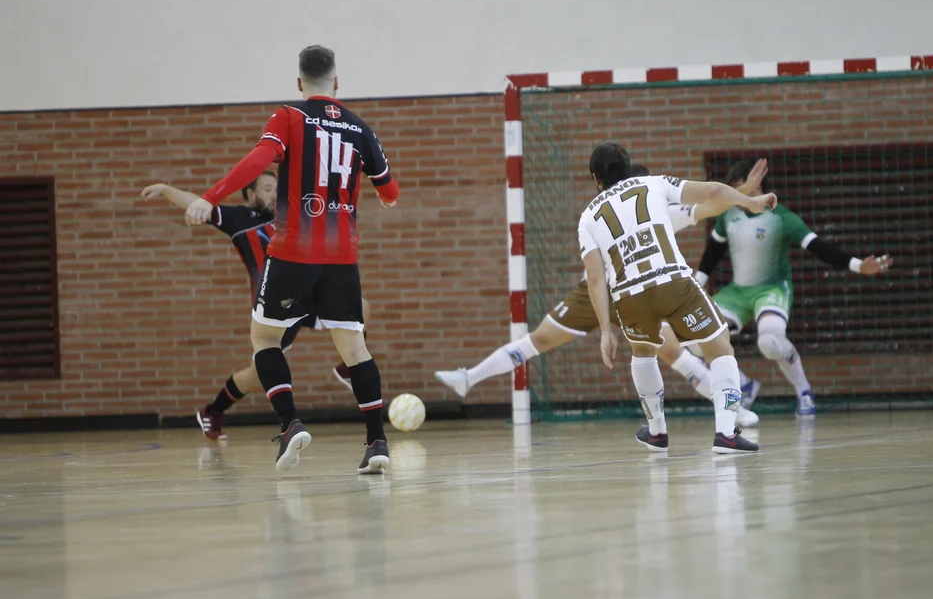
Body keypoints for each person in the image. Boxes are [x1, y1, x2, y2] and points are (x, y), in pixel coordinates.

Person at [183, 45, 400, 474]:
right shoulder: (361, 128)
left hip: (292, 253)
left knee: (265, 341)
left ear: (300, 82)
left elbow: (258, 161)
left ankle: (290, 424)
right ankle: (377, 443)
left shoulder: (289, 116)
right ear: (337, 83)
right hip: (341, 257)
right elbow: (390, 193)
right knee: (355, 348)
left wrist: (210, 197)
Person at [434, 162, 770, 427]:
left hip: (637, 290)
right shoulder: (602, 212)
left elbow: (707, 205)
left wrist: (744, 193)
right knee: (541, 338)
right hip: (596, 292)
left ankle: (730, 410)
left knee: (672, 352)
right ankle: (469, 378)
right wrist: (746, 195)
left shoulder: (657, 207)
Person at [578, 143, 776, 454]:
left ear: (595, 179)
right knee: (719, 344)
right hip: (670, 280)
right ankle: (726, 432)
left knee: (643, 352)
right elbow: (712, 191)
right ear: (628, 168)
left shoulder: (588, 217)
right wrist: (750, 200)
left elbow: (594, 278)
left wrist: (605, 330)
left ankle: (657, 432)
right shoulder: (653, 184)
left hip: (628, 294)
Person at [141, 173, 364, 439]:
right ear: (250, 194)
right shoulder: (238, 219)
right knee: (258, 375)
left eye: (278, 189)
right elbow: (197, 203)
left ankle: (347, 368)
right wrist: (166, 189)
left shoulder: (290, 213)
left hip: (308, 296)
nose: (275, 194)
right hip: (275, 305)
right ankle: (213, 411)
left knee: (361, 308)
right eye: (268, 189)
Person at [695, 159, 892, 416]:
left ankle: (804, 391)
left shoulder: (782, 218)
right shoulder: (728, 214)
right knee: (697, 336)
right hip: (737, 293)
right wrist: (694, 285)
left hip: (771, 290)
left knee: (770, 341)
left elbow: (819, 247)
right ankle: (744, 385)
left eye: (742, 187)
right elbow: (713, 253)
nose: (738, 194)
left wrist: (858, 265)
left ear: (758, 185)